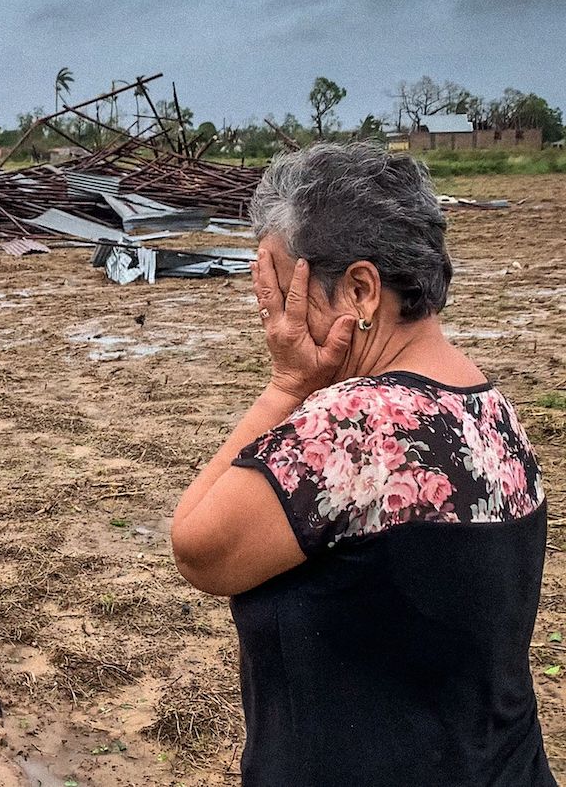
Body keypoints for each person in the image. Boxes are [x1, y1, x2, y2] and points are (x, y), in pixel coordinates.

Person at [171, 142, 555, 786]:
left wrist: (286, 385)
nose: (270, 319)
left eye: (281, 296)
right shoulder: (490, 406)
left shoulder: (353, 425)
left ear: (359, 289)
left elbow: (199, 549)